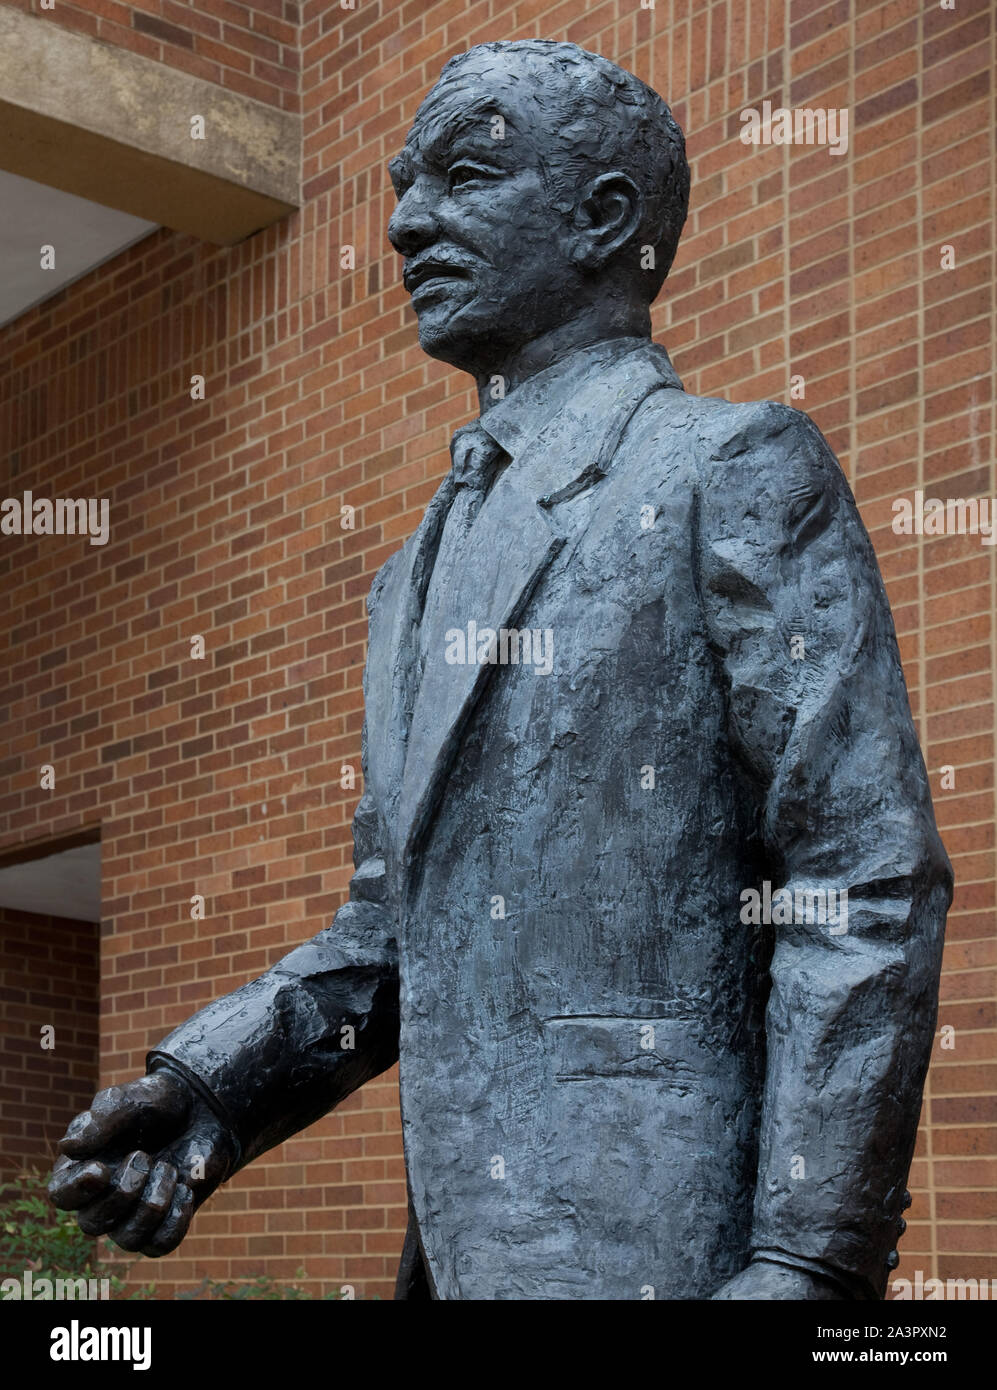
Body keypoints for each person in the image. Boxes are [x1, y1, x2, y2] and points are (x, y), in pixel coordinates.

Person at [50, 40, 951, 1301]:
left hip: (670, 1253)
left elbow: (857, 881)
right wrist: (210, 1094)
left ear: (604, 219)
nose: (409, 223)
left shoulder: (727, 469)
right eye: (402, 186)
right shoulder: (409, 572)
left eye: (463, 178)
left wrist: (808, 1257)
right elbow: (388, 935)